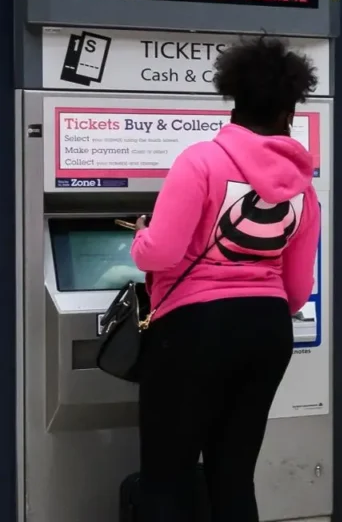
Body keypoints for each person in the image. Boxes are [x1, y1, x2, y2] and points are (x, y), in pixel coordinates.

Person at [130, 37, 321, 522]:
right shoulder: (302, 188)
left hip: (193, 331)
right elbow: (297, 289)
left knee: (166, 477)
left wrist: (141, 238)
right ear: (289, 112)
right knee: (233, 476)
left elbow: (162, 252)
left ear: (233, 101)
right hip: (267, 331)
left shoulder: (200, 161)